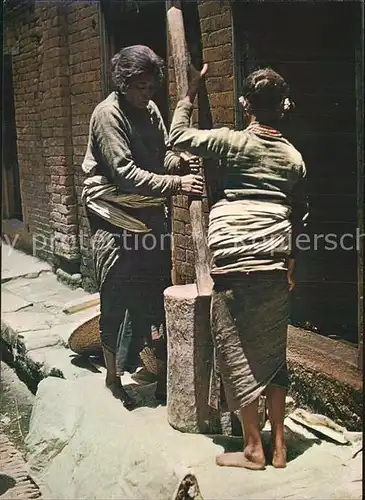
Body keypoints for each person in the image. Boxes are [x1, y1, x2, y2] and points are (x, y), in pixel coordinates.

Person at [169, 65, 308, 469]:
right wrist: (290, 265)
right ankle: (279, 446)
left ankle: (252, 449)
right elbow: (296, 214)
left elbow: (177, 136)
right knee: (273, 353)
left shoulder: (231, 143)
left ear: (245, 105)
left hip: (234, 266)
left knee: (236, 353)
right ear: (283, 108)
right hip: (274, 265)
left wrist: (189, 95)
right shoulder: (294, 159)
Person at [81, 45, 204, 409]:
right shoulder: (108, 115)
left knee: (153, 293)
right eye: (140, 88)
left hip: (149, 214)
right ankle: (113, 377)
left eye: (151, 88)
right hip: (114, 215)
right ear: (123, 83)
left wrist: (178, 162)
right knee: (116, 293)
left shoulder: (150, 112)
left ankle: (160, 372)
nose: (147, 95)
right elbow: (125, 174)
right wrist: (176, 185)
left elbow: (159, 154)